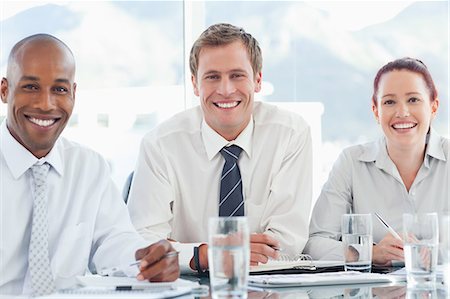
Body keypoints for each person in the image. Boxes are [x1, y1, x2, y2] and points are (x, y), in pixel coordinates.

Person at [0, 34, 179, 296]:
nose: (46, 104)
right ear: (4, 90)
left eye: (60, 89)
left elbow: (114, 241)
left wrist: (148, 259)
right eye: (30, 87)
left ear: (74, 94)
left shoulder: (89, 166)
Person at [127, 23, 312, 272]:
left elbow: (285, 245)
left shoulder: (291, 134)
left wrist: (185, 252)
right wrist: (205, 255)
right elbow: (143, 244)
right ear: (195, 84)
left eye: (237, 75)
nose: (225, 90)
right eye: (213, 77)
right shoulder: (160, 145)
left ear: (257, 80)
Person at [304, 57, 448, 265]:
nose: (402, 112)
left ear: (433, 107)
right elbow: (315, 244)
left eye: (413, 100)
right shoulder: (352, 162)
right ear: (375, 111)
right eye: (389, 102)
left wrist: (438, 253)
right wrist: (368, 253)